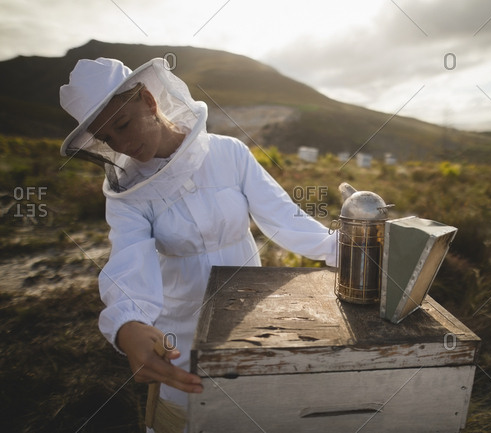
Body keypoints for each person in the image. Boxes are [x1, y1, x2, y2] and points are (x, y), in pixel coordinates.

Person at [59, 57, 337, 429]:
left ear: (148, 100)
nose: (122, 144)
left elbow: (284, 218)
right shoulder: (127, 196)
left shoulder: (229, 153)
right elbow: (129, 261)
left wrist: (345, 249)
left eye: (123, 124)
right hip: (178, 332)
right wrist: (128, 324)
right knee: (187, 420)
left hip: (246, 318)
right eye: (108, 138)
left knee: (249, 415)